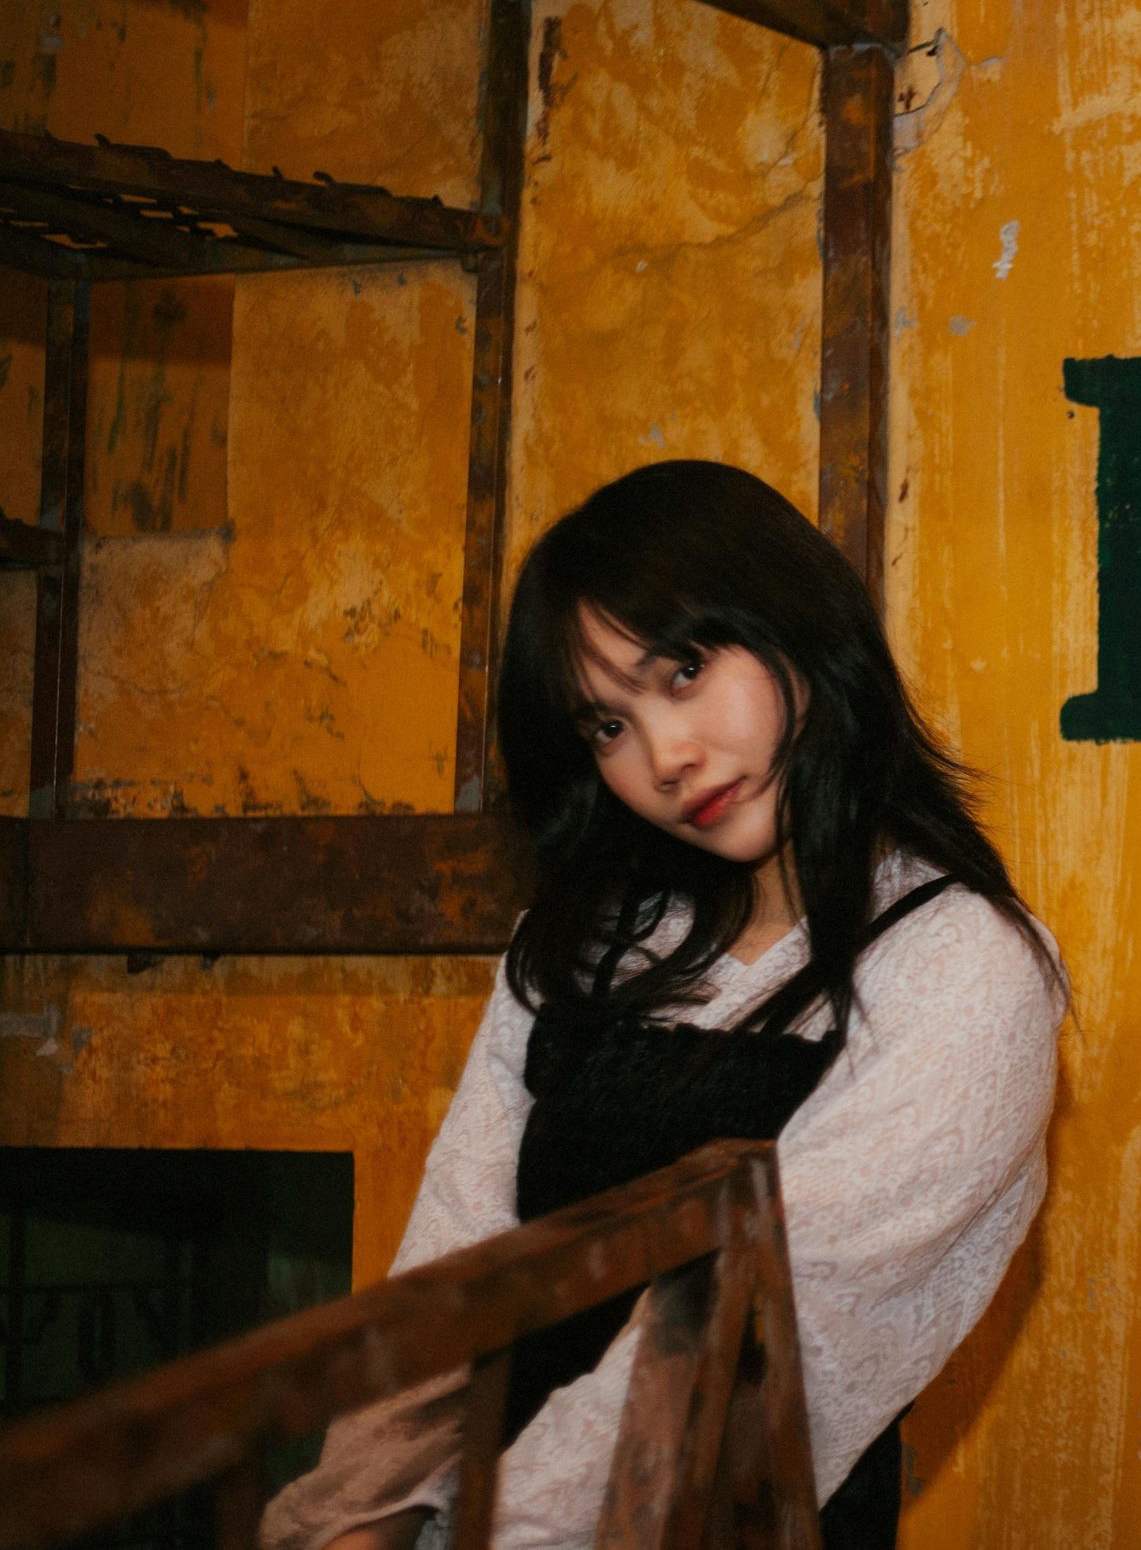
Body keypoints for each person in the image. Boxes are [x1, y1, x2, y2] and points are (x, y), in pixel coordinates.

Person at [262, 460, 1066, 1550]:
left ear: (799, 625)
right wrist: (356, 1521)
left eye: (684, 672)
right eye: (607, 727)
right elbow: (452, 1270)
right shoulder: (580, 945)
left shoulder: (961, 969)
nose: (666, 758)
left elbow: (725, 1353)